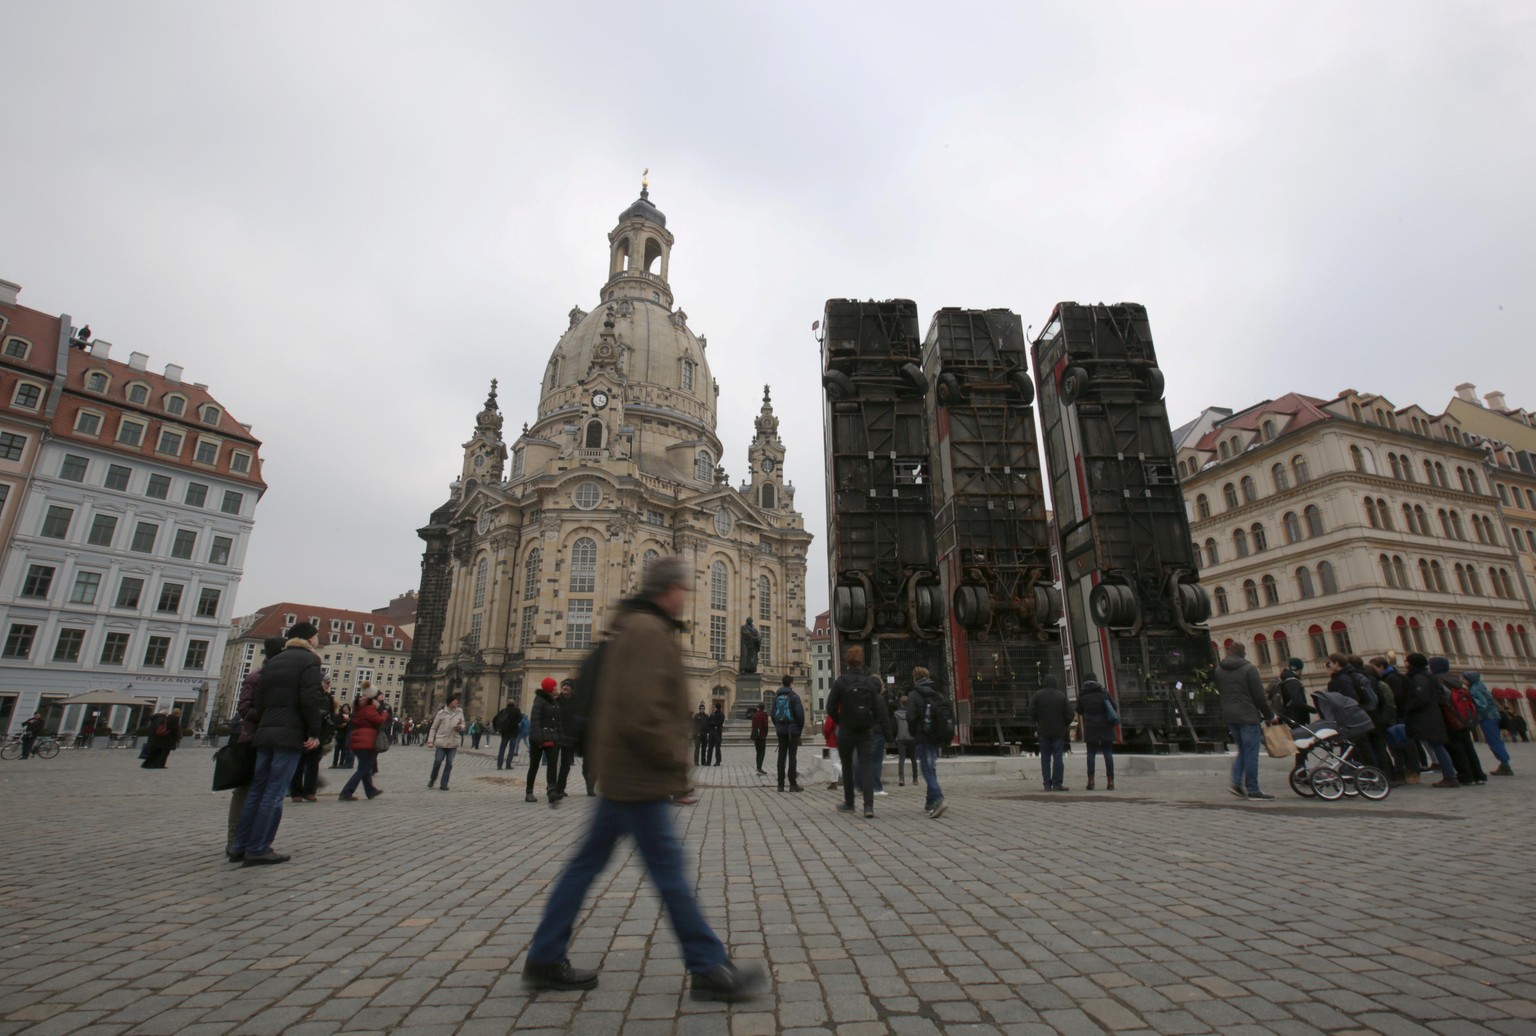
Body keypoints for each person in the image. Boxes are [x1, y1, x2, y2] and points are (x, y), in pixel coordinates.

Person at [521, 555, 766, 1001]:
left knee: (586, 867)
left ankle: (543, 955)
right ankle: (709, 967)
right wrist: (677, 773)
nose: (687, 598)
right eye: (684, 590)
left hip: (622, 773)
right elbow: (643, 712)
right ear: (669, 590)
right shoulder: (649, 631)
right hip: (637, 776)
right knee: (669, 874)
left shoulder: (632, 625)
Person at [231, 623, 326, 864]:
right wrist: (314, 732)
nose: (317, 640)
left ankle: (239, 846)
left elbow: (259, 701)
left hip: (265, 733)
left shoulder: (273, 662)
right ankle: (259, 848)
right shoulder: (309, 661)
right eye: (316, 636)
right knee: (274, 793)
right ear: (308, 639)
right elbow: (309, 698)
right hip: (289, 733)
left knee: (257, 790)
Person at [226, 637, 286, 857]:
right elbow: (244, 709)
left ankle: (252, 840)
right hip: (252, 738)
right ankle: (234, 840)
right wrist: (272, 714)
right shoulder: (256, 677)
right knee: (244, 790)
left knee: (267, 789)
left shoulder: (284, 679)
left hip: (275, 738)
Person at [826, 644, 888, 819]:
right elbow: (878, 707)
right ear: (861, 662)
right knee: (866, 765)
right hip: (865, 730)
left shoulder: (841, 682)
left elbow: (830, 707)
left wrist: (840, 721)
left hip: (846, 729)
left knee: (847, 765)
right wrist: (870, 721)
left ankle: (849, 803)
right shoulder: (868, 682)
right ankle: (868, 806)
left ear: (848, 661)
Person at [1215, 643, 1280, 800]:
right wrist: (1270, 715)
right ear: (1243, 653)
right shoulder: (1249, 669)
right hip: (1247, 715)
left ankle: (1236, 783)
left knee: (1243, 750)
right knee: (1251, 752)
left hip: (1230, 715)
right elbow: (1259, 697)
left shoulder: (1219, 670)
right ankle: (1253, 789)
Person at [1403, 653, 1459, 787]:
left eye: (1407, 661)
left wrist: (1409, 707)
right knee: (1438, 746)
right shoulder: (1428, 676)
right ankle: (1450, 775)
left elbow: (1421, 698)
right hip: (1432, 714)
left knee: (1437, 746)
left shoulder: (1419, 678)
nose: (1405, 663)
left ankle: (1450, 776)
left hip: (1426, 716)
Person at [1431, 659, 1485, 785]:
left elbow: (1441, 700)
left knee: (1456, 748)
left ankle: (1465, 775)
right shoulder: (1456, 680)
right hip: (1463, 717)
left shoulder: (1438, 680)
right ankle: (1478, 774)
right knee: (1468, 747)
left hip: (1450, 718)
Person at [906, 667, 947, 818]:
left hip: (922, 736)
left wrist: (914, 732)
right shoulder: (937, 693)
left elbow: (910, 716)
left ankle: (938, 798)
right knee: (932, 766)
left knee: (927, 769)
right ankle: (930, 801)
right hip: (935, 735)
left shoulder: (914, 694)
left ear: (915, 678)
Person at [338, 688, 390, 801]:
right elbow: (379, 721)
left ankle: (370, 791)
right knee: (364, 768)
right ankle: (346, 792)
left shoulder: (359, 707)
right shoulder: (369, 708)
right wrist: (385, 714)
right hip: (366, 740)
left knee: (365, 767)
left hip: (357, 738)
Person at [290, 676, 332, 802]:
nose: (329, 685)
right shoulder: (307, 695)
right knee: (299, 765)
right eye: (327, 683)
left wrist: (324, 736)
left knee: (313, 765)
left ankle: (309, 791)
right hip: (303, 734)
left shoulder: (328, 698)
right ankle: (296, 792)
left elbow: (329, 718)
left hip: (319, 734)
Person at [1464, 671, 1513, 776]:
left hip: (1487, 717)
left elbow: (1482, 704)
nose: (1463, 681)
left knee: (1494, 741)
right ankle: (1504, 763)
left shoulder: (1474, 690)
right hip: (1494, 716)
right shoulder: (1481, 685)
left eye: (1464, 678)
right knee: (1496, 740)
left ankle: (1505, 765)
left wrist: (1474, 711)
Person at [1030, 675, 1073, 791]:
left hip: (1043, 730)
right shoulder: (1062, 696)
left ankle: (1047, 784)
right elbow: (1070, 714)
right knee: (1058, 757)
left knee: (1045, 758)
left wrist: (1038, 720)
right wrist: (1064, 724)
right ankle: (1057, 783)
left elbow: (1031, 711)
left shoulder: (1038, 695)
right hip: (1058, 731)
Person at [1076, 675, 1116, 791]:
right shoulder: (1103, 692)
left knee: (1091, 754)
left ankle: (1091, 781)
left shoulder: (1083, 695)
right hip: (1105, 727)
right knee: (1107, 753)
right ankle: (1110, 781)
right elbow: (1114, 707)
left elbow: (1079, 710)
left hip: (1091, 727)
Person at [555, 678, 593, 799]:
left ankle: (587, 788)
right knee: (559, 763)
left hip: (574, 736)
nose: (565, 688)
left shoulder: (578, 702)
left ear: (572, 689)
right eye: (564, 686)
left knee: (575, 764)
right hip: (560, 735)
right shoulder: (556, 701)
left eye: (568, 686)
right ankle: (556, 787)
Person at [525, 677, 562, 804]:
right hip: (538, 739)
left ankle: (551, 790)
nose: (556, 688)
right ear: (549, 688)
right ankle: (529, 792)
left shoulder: (554, 702)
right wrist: (538, 739)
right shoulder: (540, 700)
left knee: (552, 764)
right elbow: (535, 721)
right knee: (534, 765)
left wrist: (559, 736)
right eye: (555, 686)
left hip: (552, 737)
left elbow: (557, 721)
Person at [426, 692, 466, 790]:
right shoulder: (441, 713)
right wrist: (430, 741)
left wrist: (460, 727)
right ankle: (432, 778)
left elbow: (463, 724)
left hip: (453, 741)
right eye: (455, 701)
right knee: (438, 761)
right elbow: (433, 728)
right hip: (441, 741)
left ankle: (444, 784)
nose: (457, 702)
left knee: (449, 763)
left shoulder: (459, 712)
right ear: (450, 703)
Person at [771, 675, 804, 793]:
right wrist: (799, 729)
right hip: (793, 731)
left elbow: (773, 714)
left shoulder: (776, 697)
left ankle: (780, 785)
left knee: (781, 757)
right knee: (792, 757)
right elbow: (800, 715)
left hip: (781, 731)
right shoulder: (794, 696)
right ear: (791, 683)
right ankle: (792, 785)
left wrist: (778, 726)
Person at [893, 695, 917, 787]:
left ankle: (901, 778)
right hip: (911, 737)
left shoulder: (896, 714)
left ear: (900, 703)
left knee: (901, 758)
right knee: (913, 758)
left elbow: (894, 727)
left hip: (900, 737)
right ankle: (915, 778)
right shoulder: (912, 713)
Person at [494, 699, 523, 770]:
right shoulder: (516, 711)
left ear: (507, 703)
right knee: (511, 749)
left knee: (502, 748)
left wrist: (497, 729)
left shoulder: (504, 710)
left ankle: (499, 765)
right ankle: (508, 765)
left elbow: (495, 719)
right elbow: (521, 718)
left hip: (504, 733)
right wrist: (514, 724)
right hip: (513, 732)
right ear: (514, 703)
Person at [330, 703, 353, 768]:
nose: (345, 709)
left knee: (344, 750)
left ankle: (341, 763)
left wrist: (348, 721)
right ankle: (334, 763)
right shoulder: (338, 715)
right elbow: (334, 724)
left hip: (346, 734)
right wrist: (340, 725)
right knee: (336, 750)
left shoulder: (350, 716)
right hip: (339, 734)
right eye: (344, 707)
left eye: (347, 708)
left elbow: (351, 725)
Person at [821, 712, 841, 788]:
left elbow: (827, 727)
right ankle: (834, 781)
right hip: (845, 740)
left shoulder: (834, 711)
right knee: (838, 761)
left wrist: (826, 737)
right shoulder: (847, 709)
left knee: (835, 762)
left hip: (834, 740)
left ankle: (848, 777)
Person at [750, 704, 769, 775]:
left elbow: (753, 725)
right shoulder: (764, 715)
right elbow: (766, 725)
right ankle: (759, 768)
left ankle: (758, 767)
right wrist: (766, 733)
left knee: (758, 752)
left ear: (758, 708)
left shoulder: (754, 715)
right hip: (762, 735)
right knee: (762, 752)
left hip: (756, 735)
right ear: (764, 708)